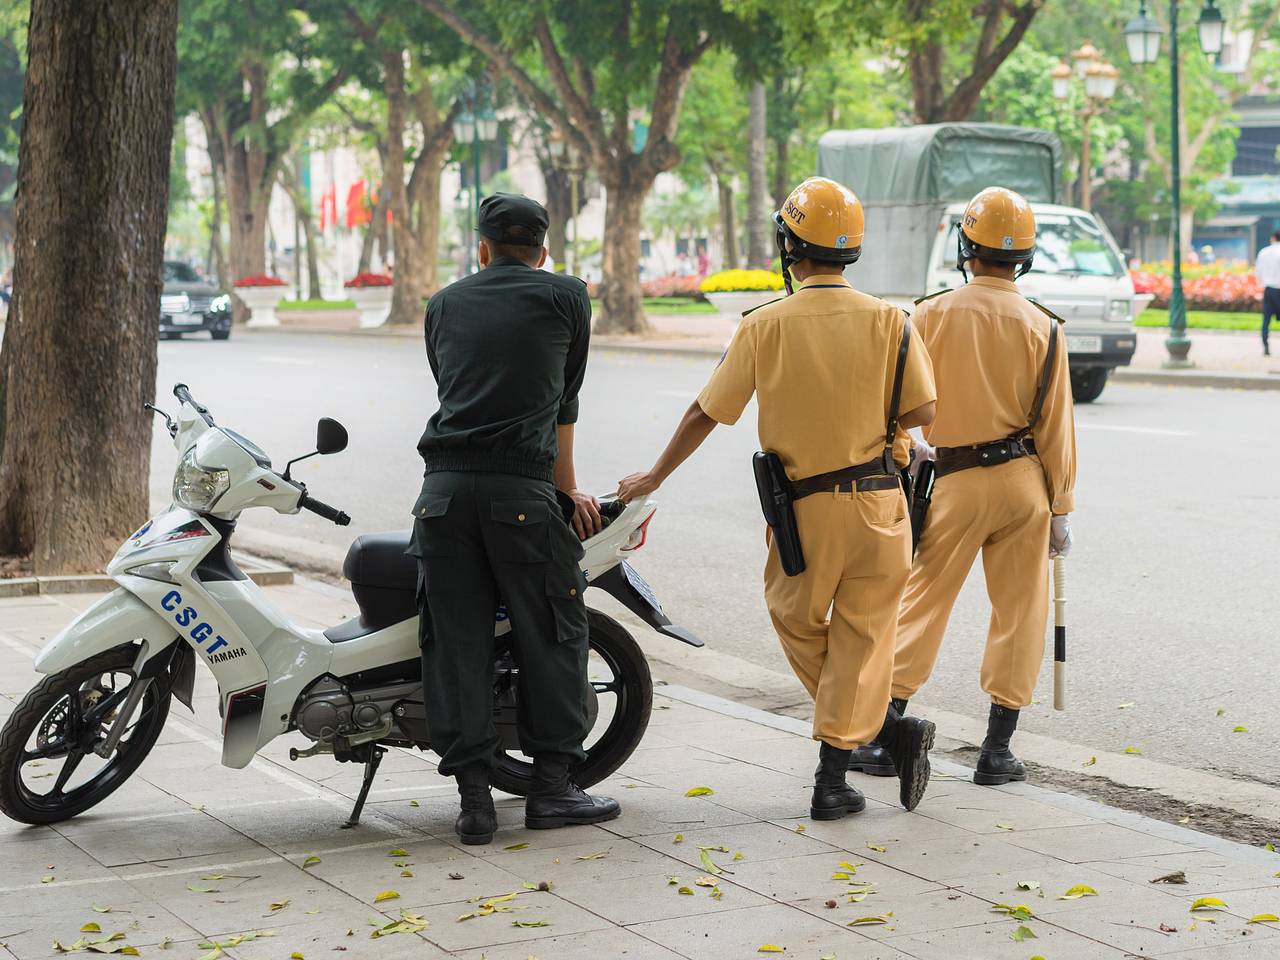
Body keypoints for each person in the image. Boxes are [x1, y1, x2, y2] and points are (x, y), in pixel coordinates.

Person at [618, 177, 939, 818]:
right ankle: (869, 740)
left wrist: (653, 476)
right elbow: (924, 409)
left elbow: (707, 411)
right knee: (862, 637)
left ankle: (837, 775)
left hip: (805, 513)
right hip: (882, 507)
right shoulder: (892, 322)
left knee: (794, 618)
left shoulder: (765, 325)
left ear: (789, 244)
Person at [848, 187, 1076, 787]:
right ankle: (997, 751)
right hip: (1025, 483)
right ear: (1022, 256)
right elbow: (1057, 428)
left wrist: (904, 453)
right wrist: (1061, 508)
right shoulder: (1044, 327)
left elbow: (894, 404)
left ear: (966, 247)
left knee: (923, 601)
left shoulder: (930, 313)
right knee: (1022, 611)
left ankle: (879, 734)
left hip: (953, 479)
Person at [411, 192, 617, 846]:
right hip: (522, 493)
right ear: (543, 250)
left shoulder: (442, 305)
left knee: (456, 641)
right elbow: (563, 404)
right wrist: (568, 491)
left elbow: (452, 385)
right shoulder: (566, 298)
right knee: (554, 630)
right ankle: (552, 789)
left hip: (441, 495)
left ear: (482, 248)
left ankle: (474, 801)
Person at [1255, 230, 1280, 357]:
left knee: (1266, 320)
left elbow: (1258, 273)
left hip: (1269, 289)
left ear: (1272, 238)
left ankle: (1266, 346)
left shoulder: (1264, 252)